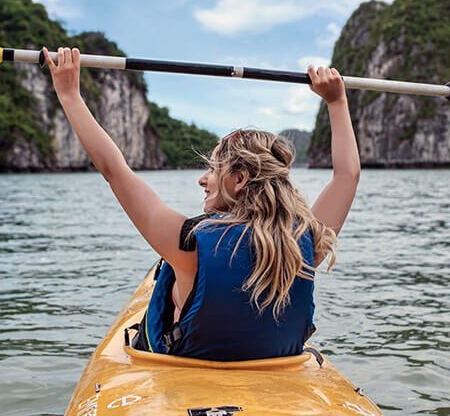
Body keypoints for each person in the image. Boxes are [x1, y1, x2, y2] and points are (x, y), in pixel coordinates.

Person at [44, 47, 359, 361]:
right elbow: (347, 176)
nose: (203, 179)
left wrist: (70, 94)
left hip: (186, 380)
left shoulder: (187, 246)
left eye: (213, 169)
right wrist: (337, 101)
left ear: (239, 179)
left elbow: (114, 170)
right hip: (277, 378)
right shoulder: (305, 244)